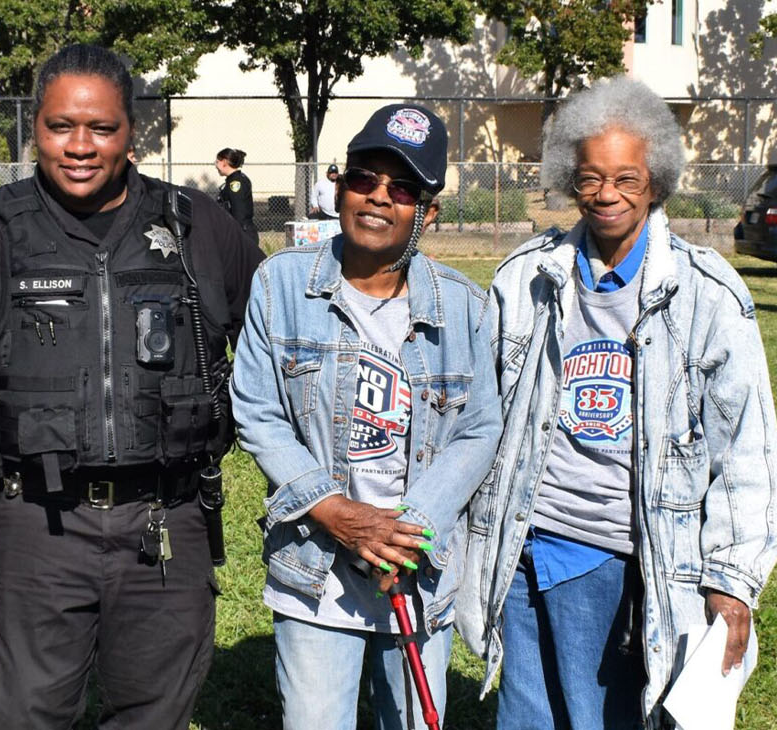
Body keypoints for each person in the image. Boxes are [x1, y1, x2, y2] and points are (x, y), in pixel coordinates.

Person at [0, 44, 264, 729]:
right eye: (60, 126)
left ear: (131, 132)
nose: (79, 146)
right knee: (22, 713)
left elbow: (287, 321)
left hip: (165, 524)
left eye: (101, 128)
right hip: (32, 525)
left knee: (154, 716)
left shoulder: (198, 225)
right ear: (35, 129)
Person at [457, 77, 777, 729]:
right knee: (524, 714)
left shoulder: (707, 294)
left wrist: (732, 578)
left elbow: (748, 447)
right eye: (590, 178)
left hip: (611, 553)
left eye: (626, 179)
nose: (607, 194)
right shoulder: (527, 278)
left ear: (656, 182)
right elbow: (478, 415)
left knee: (599, 714)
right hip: (520, 542)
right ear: (569, 180)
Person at [231, 104, 502, 729]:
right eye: (363, 178)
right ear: (339, 186)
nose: (379, 197)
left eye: (402, 188)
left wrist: (408, 531)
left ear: (427, 213)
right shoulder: (280, 284)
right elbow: (258, 412)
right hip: (316, 565)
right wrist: (337, 513)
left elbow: (480, 428)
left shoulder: (464, 306)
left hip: (416, 568)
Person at [215, 147, 256, 236]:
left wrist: (235, 236)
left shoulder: (236, 183)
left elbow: (239, 213)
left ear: (225, 162)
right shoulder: (233, 180)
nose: (215, 166)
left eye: (217, 162)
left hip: (241, 234)